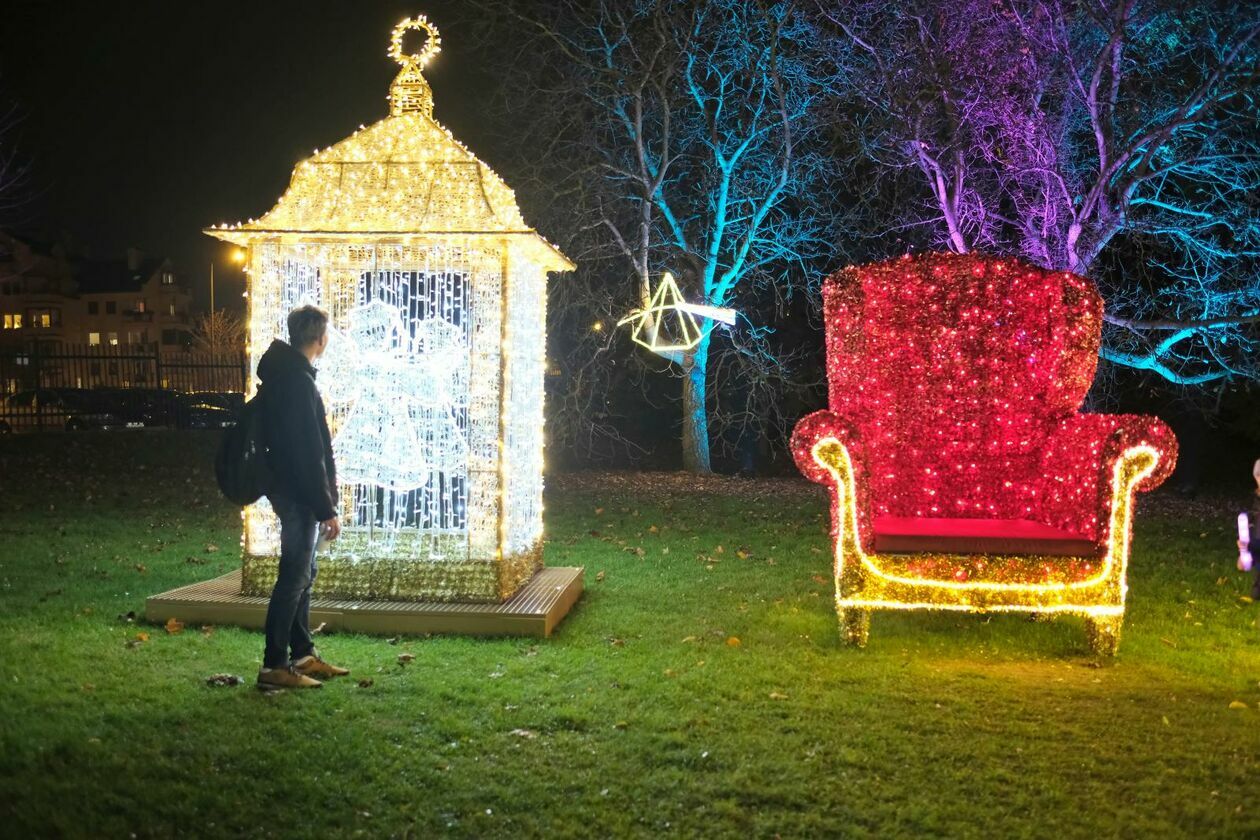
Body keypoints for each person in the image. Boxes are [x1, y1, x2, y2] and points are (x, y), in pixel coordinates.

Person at [254, 305, 350, 690]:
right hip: (299, 495)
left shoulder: (289, 376)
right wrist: (325, 507)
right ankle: (273, 666)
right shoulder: (297, 383)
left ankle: (302, 654)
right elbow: (309, 452)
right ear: (320, 340)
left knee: (302, 575)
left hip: (293, 491)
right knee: (294, 576)